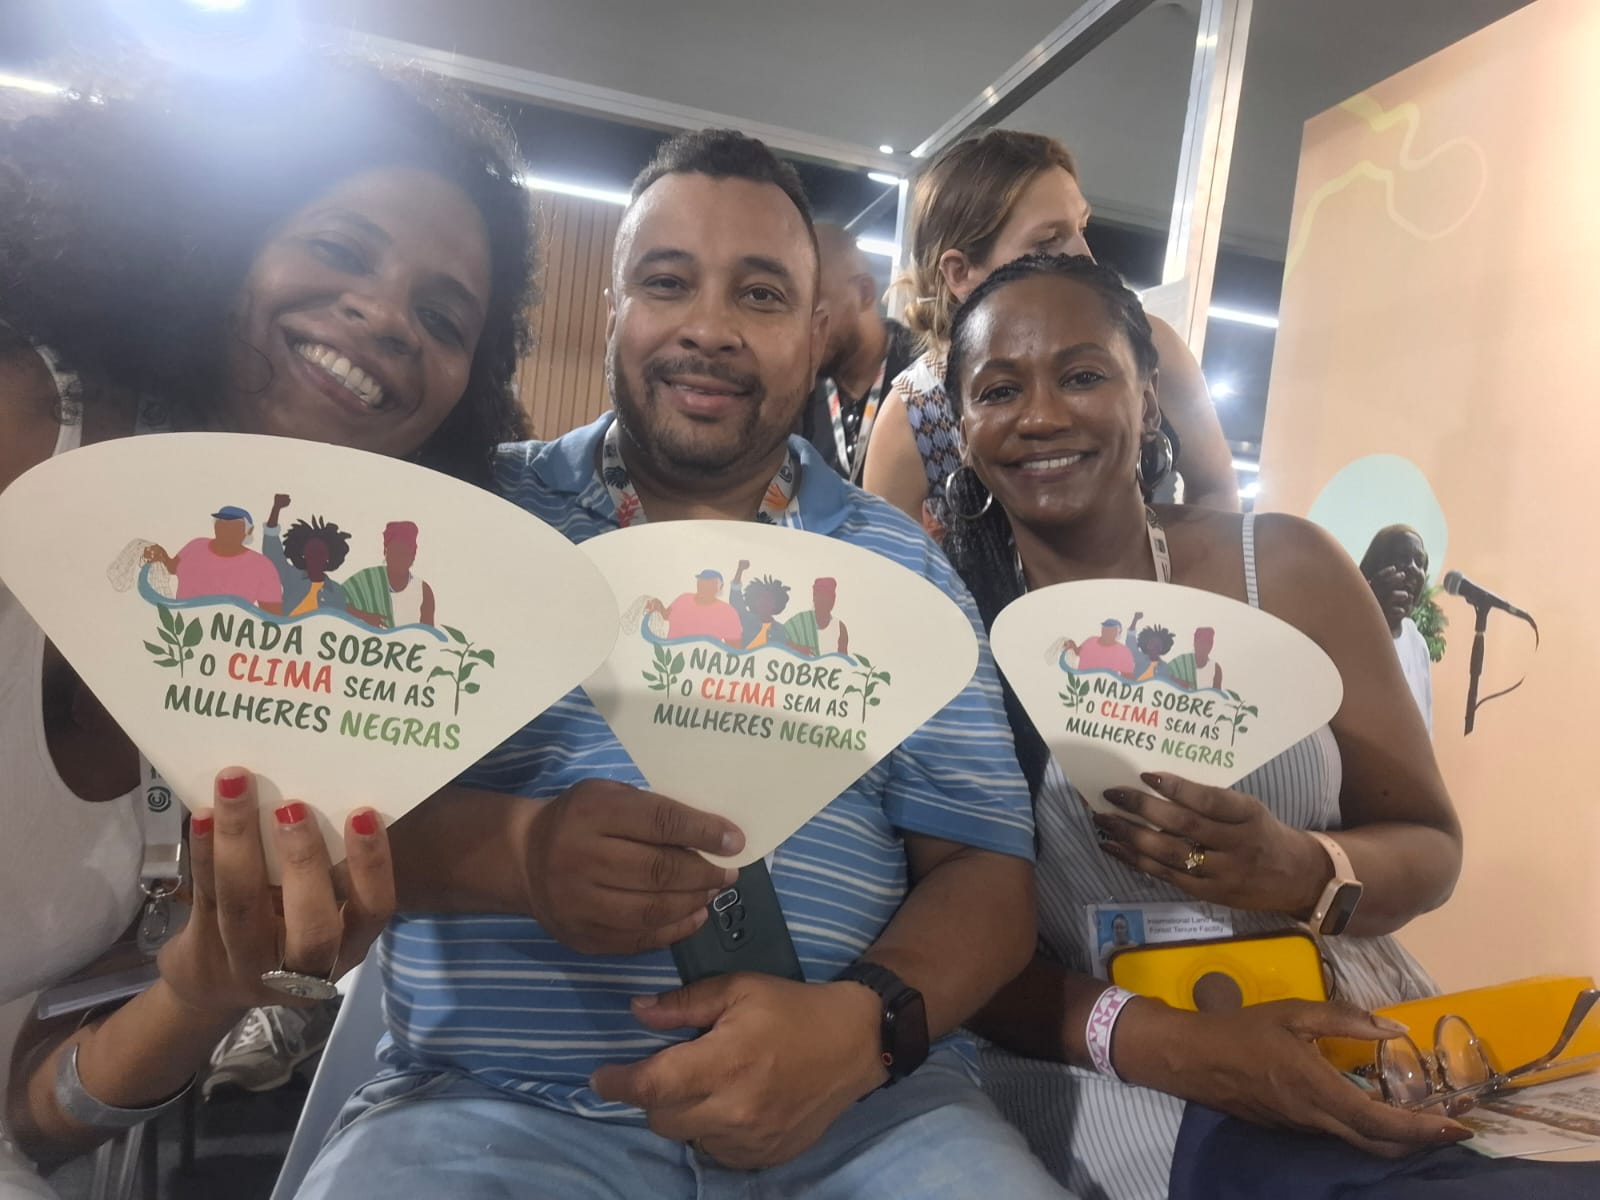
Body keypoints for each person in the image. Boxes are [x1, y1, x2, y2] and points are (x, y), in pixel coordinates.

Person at [293, 129, 1068, 1200]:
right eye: (667, 283)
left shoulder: (903, 571)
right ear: (614, 307)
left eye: (760, 295)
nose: (708, 328)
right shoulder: (472, 524)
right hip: (491, 1109)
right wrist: (517, 855)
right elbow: (320, 818)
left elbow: (987, 875)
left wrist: (863, 1029)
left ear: (815, 329)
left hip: (869, 1117)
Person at [935, 253, 1589, 1198]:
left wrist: (1306, 869)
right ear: (962, 429)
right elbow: (943, 945)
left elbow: (1430, 845)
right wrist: (1171, 1046)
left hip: (1358, 1036)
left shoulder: (1284, 570)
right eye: (1000, 390)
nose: (1041, 415)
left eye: (1082, 375)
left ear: (1148, 399)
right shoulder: (954, 630)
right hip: (1111, 1081)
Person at [0, 53, 535, 1188]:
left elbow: (33, 1119)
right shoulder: (25, 424)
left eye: (442, 317)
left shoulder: (292, 657)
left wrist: (204, 991)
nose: (385, 316)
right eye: (341, 248)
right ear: (217, 240)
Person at [860, 129, 1238, 536]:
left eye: (1082, 228)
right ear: (960, 272)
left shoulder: (1149, 348)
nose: (1085, 256)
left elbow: (1214, 489)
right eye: (1047, 242)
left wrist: (1181, 569)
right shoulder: (916, 413)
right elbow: (886, 565)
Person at [798, 224, 918, 482]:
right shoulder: (798, 394)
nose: (804, 327)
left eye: (815, 305)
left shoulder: (927, 379)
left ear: (864, 292)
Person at [141, 505, 283, 612]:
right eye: (221, 523)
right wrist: (160, 555)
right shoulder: (196, 546)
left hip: (225, 637)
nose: (225, 528)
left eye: (233, 525)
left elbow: (271, 618)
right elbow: (173, 568)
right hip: (184, 628)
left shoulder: (262, 566)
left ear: (249, 530)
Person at [1360, 526, 1433, 733]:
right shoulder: (1351, 631)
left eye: (1420, 562)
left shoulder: (1417, 644)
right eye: (1402, 558)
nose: (1413, 569)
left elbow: (1425, 730)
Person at [263, 494, 353, 618]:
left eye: (320, 553)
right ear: (303, 555)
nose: (315, 557)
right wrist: (276, 508)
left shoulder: (336, 591)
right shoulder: (292, 577)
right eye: (310, 552)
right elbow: (273, 553)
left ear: (329, 556)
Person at [342, 520, 437, 629]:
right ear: (385, 552)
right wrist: (363, 617)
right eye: (394, 551)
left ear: (413, 556)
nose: (399, 558)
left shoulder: (423, 591)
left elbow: (429, 636)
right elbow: (336, 603)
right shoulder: (367, 581)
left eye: (404, 553)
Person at [646, 568, 744, 645]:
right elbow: (665, 615)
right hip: (672, 656)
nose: (704, 586)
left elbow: (734, 649)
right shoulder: (683, 599)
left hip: (700, 662)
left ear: (720, 587)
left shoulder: (728, 612)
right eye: (701, 582)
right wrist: (658, 606)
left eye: (709, 583)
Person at [729, 559, 793, 649]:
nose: (763, 602)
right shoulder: (747, 619)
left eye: (768, 599)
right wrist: (740, 570)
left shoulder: (780, 631)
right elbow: (736, 598)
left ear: (776, 604)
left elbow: (784, 651)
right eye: (760, 599)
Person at [784, 576, 849, 657]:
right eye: (821, 596)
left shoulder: (839, 628)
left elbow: (844, 662)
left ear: (833, 600)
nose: (824, 600)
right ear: (814, 598)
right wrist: (796, 648)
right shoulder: (800, 622)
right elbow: (779, 640)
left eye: (828, 596)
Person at [1066, 618, 1136, 677]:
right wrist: (1071, 644)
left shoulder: (1124, 652)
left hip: (1103, 687)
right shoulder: (1091, 641)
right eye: (1105, 628)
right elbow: (1077, 652)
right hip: (1082, 683)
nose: (1107, 632)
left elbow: (1128, 678)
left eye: (1111, 630)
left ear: (1118, 633)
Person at [1169, 626, 1223, 692]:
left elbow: (1217, 696)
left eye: (1207, 643)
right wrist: (1179, 683)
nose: (1203, 646)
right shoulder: (1181, 663)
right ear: (1194, 643)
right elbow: (1164, 678)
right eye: (1201, 642)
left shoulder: (1215, 669)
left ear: (1211, 646)